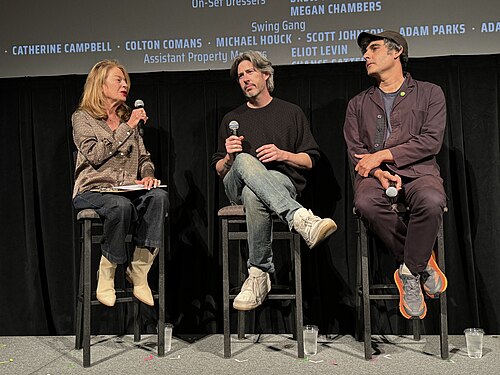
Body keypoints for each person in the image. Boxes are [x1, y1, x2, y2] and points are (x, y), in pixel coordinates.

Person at [211, 50, 337, 311]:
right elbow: (220, 171)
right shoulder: (231, 119)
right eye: (240, 76)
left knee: (254, 195)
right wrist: (230, 157)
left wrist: (283, 154)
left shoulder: (290, 113)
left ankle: (258, 275)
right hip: (237, 182)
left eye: (250, 72)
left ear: (266, 75)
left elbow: (311, 161)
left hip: (282, 182)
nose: (244, 79)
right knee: (246, 162)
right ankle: (301, 218)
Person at [344, 31, 448, 319]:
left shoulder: (430, 93)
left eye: (374, 48)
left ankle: (407, 272)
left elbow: (430, 140)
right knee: (365, 204)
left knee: (431, 199)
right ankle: (420, 261)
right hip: (376, 176)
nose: (366, 55)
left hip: (419, 171)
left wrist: (383, 155)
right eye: (365, 51)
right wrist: (377, 171)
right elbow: (356, 150)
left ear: (396, 52)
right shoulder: (358, 103)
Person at [72, 60, 168, 307]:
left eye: (126, 80)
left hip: (126, 189)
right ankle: (107, 272)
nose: (125, 84)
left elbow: (144, 158)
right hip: (92, 189)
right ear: (100, 84)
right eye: (118, 79)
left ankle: (139, 269)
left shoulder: (127, 118)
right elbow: (94, 154)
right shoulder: (83, 118)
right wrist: (128, 127)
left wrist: (147, 174)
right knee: (120, 207)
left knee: (158, 197)